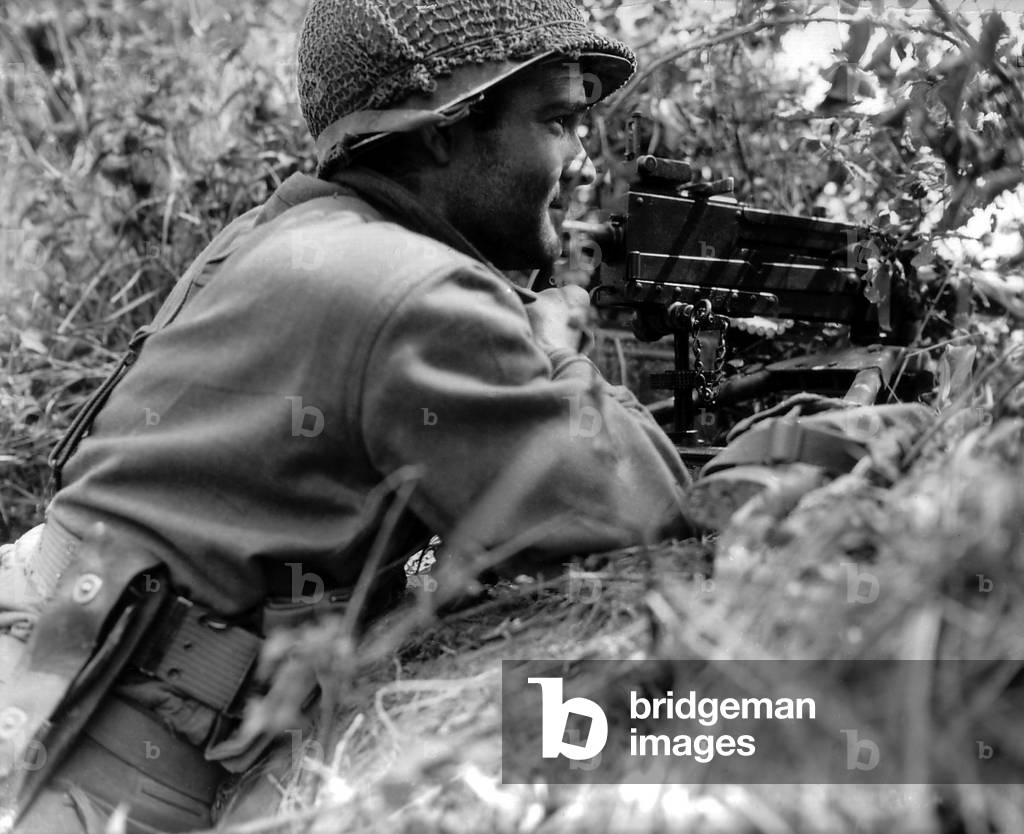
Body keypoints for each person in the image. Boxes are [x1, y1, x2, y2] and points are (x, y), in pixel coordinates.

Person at [0, 1, 693, 830]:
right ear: (440, 130)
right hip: (101, 759)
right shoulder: (413, 292)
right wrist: (554, 347)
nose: (582, 158)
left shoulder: (279, 230)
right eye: (557, 119)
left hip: (52, 657)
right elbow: (641, 505)